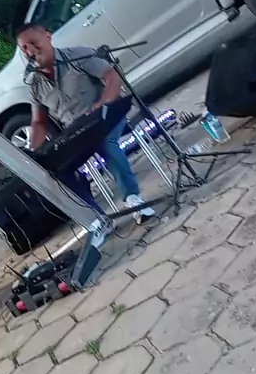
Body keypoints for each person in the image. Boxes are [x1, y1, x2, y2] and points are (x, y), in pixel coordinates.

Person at [16, 23, 155, 224]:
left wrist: (102, 103)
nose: (30, 50)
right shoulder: (34, 85)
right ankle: (97, 220)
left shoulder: (77, 55)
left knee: (104, 142)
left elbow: (113, 76)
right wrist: (32, 153)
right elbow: (39, 122)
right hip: (77, 133)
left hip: (108, 116)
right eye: (24, 48)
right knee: (56, 169)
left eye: (33, 42)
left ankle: (133, 199)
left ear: (48, 36)